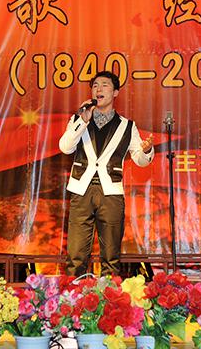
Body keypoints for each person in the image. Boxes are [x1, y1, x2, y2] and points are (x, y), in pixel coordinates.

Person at [59, 71, 154, 276]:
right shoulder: (78, 119)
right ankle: (74, 293)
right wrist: (82, 121)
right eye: (95, 86)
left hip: (111, 192)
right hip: (81, 190)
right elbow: (65, 147)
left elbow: (140, 159)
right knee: (76, 253)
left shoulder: (127, 125)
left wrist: (147, 151)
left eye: (104, 85)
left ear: (115, 92)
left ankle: (109, 294)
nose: (98, 89)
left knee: (111, 254)